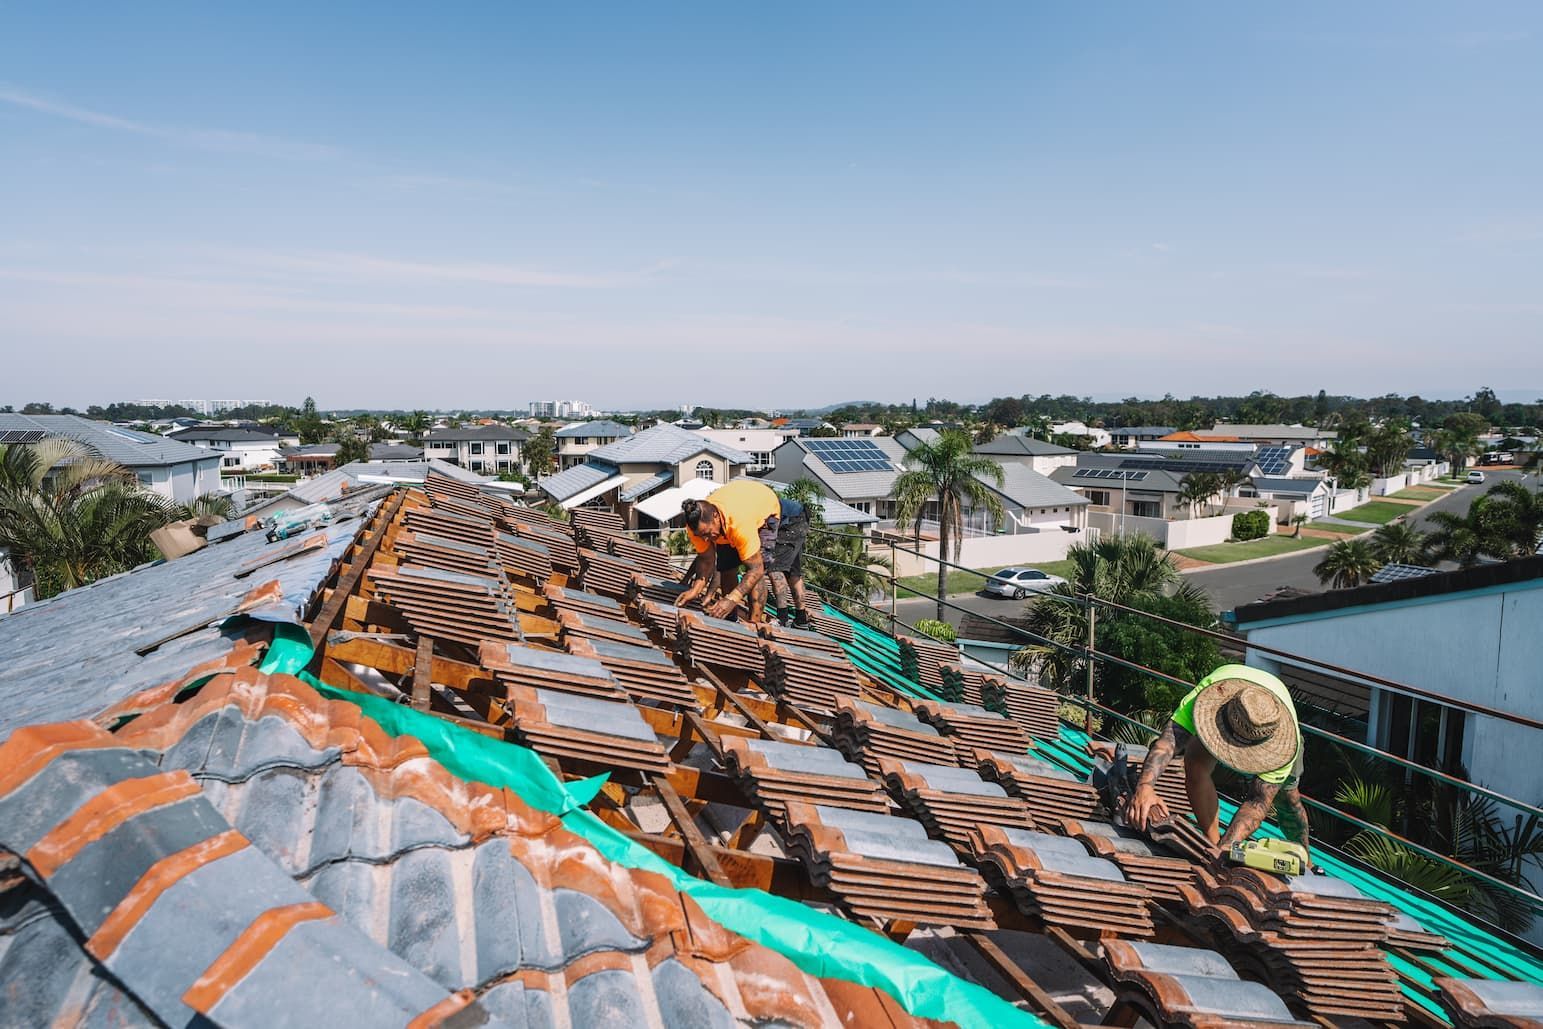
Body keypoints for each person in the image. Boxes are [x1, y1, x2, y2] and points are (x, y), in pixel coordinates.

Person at [1125, 664, 1312, 860]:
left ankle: (1304, 855)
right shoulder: (1208, 695)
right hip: (1226, 714)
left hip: (1270, 733)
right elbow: (1168, 743)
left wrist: (1230, 845)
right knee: (1195, 762)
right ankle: (1213, 842)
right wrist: (1145, 787)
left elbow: (1257, 802)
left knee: (1288, 800)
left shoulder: (1283, 749)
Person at [675, 480, 811, 625]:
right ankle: (730, 620)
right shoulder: (696, 528)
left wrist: (732, 599)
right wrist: (695, 590)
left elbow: (756, 569)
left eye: (708, 533)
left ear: (716, 516)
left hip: (766, 513)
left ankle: (754, 622)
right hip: (736, 509)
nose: (706, 539)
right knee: (727, 568)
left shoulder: (739, 524)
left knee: (756, 571)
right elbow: (706, 559)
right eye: (702, 535)